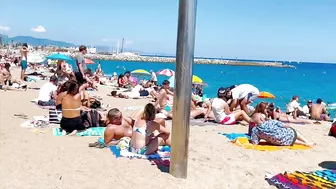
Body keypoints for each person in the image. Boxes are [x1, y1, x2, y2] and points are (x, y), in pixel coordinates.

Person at [250, 102, 315, 147]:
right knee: (291, 131)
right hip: (283, 138)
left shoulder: (255, 130)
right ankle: (306, 141)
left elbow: (255, 143)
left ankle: (303, 143)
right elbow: (284, 125)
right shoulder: (271, 122)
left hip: (276, 142)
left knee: (280, 137)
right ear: (262, 117)